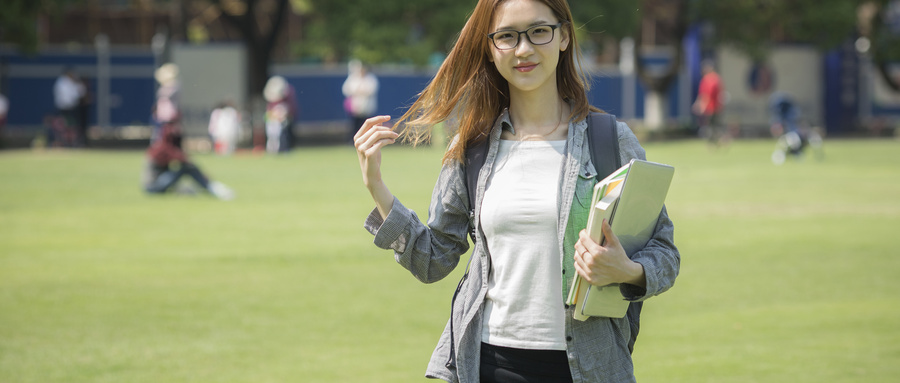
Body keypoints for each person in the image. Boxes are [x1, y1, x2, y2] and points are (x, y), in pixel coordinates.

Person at [353, 1, 680, 382]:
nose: (523, 49)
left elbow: (664, 252)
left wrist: (627, 270)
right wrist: (377, 187)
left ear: (563, 36)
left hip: (588, 366)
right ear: (492, 50)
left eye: (538, 31)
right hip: (491, 363)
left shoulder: (609, 140)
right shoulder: (470, 149)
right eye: (507, 36)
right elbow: (434, 259)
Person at [143, 121, 235, 200]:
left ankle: (210, 187)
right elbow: (183, 159)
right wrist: (203, 175)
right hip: (153, 187)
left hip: (158, 183)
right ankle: (212, 188)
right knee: (187, 168)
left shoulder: (162, 146)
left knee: (187, 167)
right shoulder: (163, 148)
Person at [342, 59, 379, 142]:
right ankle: (353, 141)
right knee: (354, 125)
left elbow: (370, 90)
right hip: (355, 107)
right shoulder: (353, 78)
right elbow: (346, 90)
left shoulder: (370, 79)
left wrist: (361, 91)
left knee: (366, 125)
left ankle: (366, 140)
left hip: (367, 107)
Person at [692, 60, 726, 147]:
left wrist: (701, 106)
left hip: (710, 107)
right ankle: (718, 141)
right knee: (714, 125)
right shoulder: (717, 78)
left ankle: (715, 142)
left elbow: (705, 95)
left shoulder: (707, 80)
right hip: (717, 107)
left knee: (709, 126)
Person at [263, 76, 298, 154]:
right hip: (273, 123)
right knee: (272, 137)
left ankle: (285, 148)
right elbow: (267, 116)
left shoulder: (287, 95)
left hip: (283, 121)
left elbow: (291, 109)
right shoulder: (271, 103)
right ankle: (272, 150)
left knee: (284, 135)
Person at [52, 66, 85, 147]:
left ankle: (74, 142)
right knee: (63, 127)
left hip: (73, 108)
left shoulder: (74, 82)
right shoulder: (61, 82)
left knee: (74, 126)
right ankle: (62, 143)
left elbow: (82, 92)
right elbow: (66, 97)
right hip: (64, 108)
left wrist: (78, 82)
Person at [152, 63, 181, 143]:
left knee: (169, 131)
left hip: (170, 112)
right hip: (163, 113)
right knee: (161, 131)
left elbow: (169, 96)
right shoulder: (164, 86)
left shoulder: (174, 85)